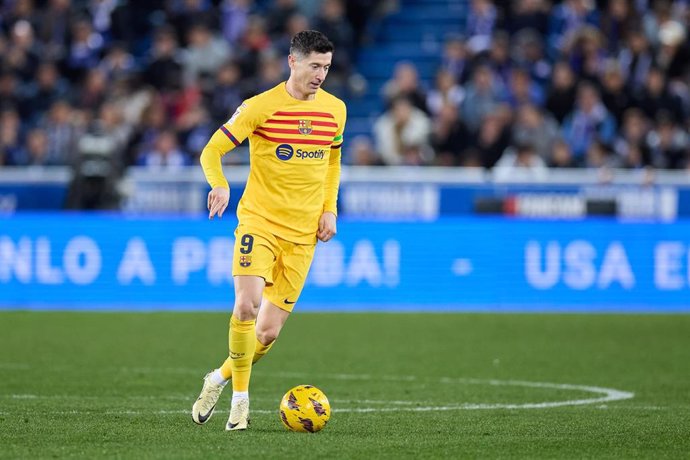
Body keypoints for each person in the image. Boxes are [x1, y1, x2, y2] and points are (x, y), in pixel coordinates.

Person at [191, 30, 346, 432]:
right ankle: (240, 402)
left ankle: (219, 377)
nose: (321, 75)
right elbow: (212, 150)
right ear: (292, 61)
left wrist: (329, 209)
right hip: (259, 222)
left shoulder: (336, 110)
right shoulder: (259, 107)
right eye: (314, 66)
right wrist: (220, 184)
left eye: (326, 68)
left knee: (268, 331)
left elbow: (332, 164)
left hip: (303, 234)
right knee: (246, 305)